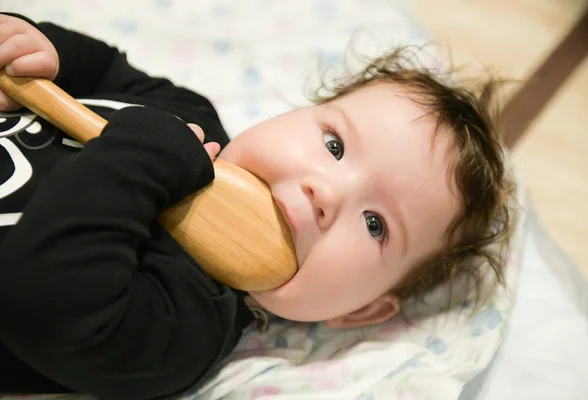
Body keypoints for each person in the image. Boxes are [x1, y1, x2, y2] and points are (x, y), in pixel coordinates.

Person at [0, 12, 514, 400]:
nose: (326, 193)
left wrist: (143, 154)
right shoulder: (190, 116)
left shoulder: (187, 327)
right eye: (334, 145)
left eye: (376, 224)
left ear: (359, 310)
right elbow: (106, 68)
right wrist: (43, 51)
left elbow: (42, 302)